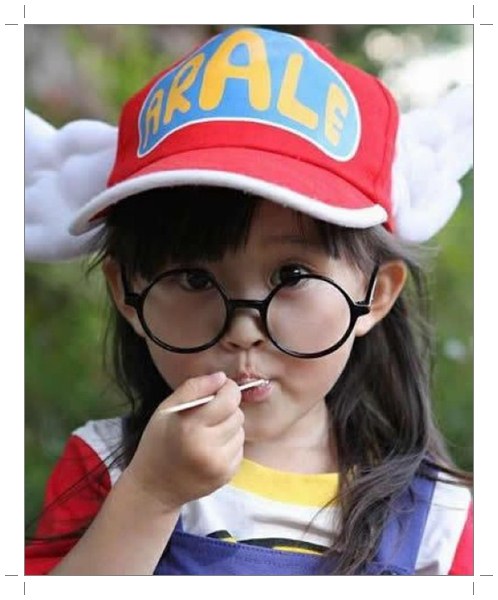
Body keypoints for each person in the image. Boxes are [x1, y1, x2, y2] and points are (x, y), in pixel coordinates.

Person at [25, 26, 473, 575]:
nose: (242, 330)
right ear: (126, 292)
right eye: (195, 279)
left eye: (291, 274)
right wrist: (151, 496)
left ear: (375, 293)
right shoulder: (106, 469)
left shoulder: (440, 524)